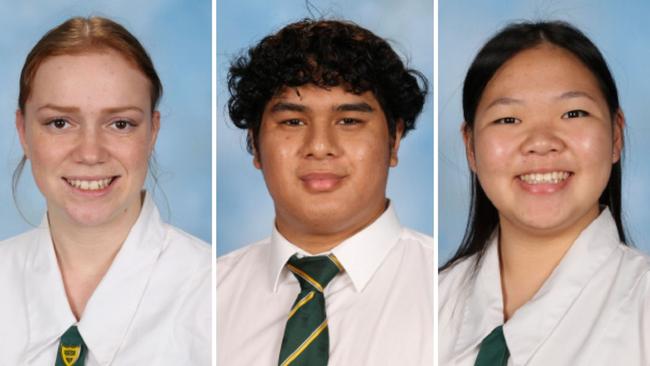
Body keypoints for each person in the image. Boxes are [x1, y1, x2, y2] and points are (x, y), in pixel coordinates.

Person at [218, 19, 432, 365]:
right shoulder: (204, 298)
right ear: (254, 145)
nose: (319, 147)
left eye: (349, 121)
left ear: (393, 140)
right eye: (293, 121)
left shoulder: (450, 293)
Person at [0, 17, 211, 365]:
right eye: (59, 123)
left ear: (152, 132)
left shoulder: (211, 298)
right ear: (23, 131)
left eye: (120, 124)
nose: (90, 153)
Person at [439, 21, 650, 365]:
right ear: (470, 148)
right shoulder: (421, 306)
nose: (541, 142)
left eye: (573, 113)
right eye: (508, 119)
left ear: (615, 135)